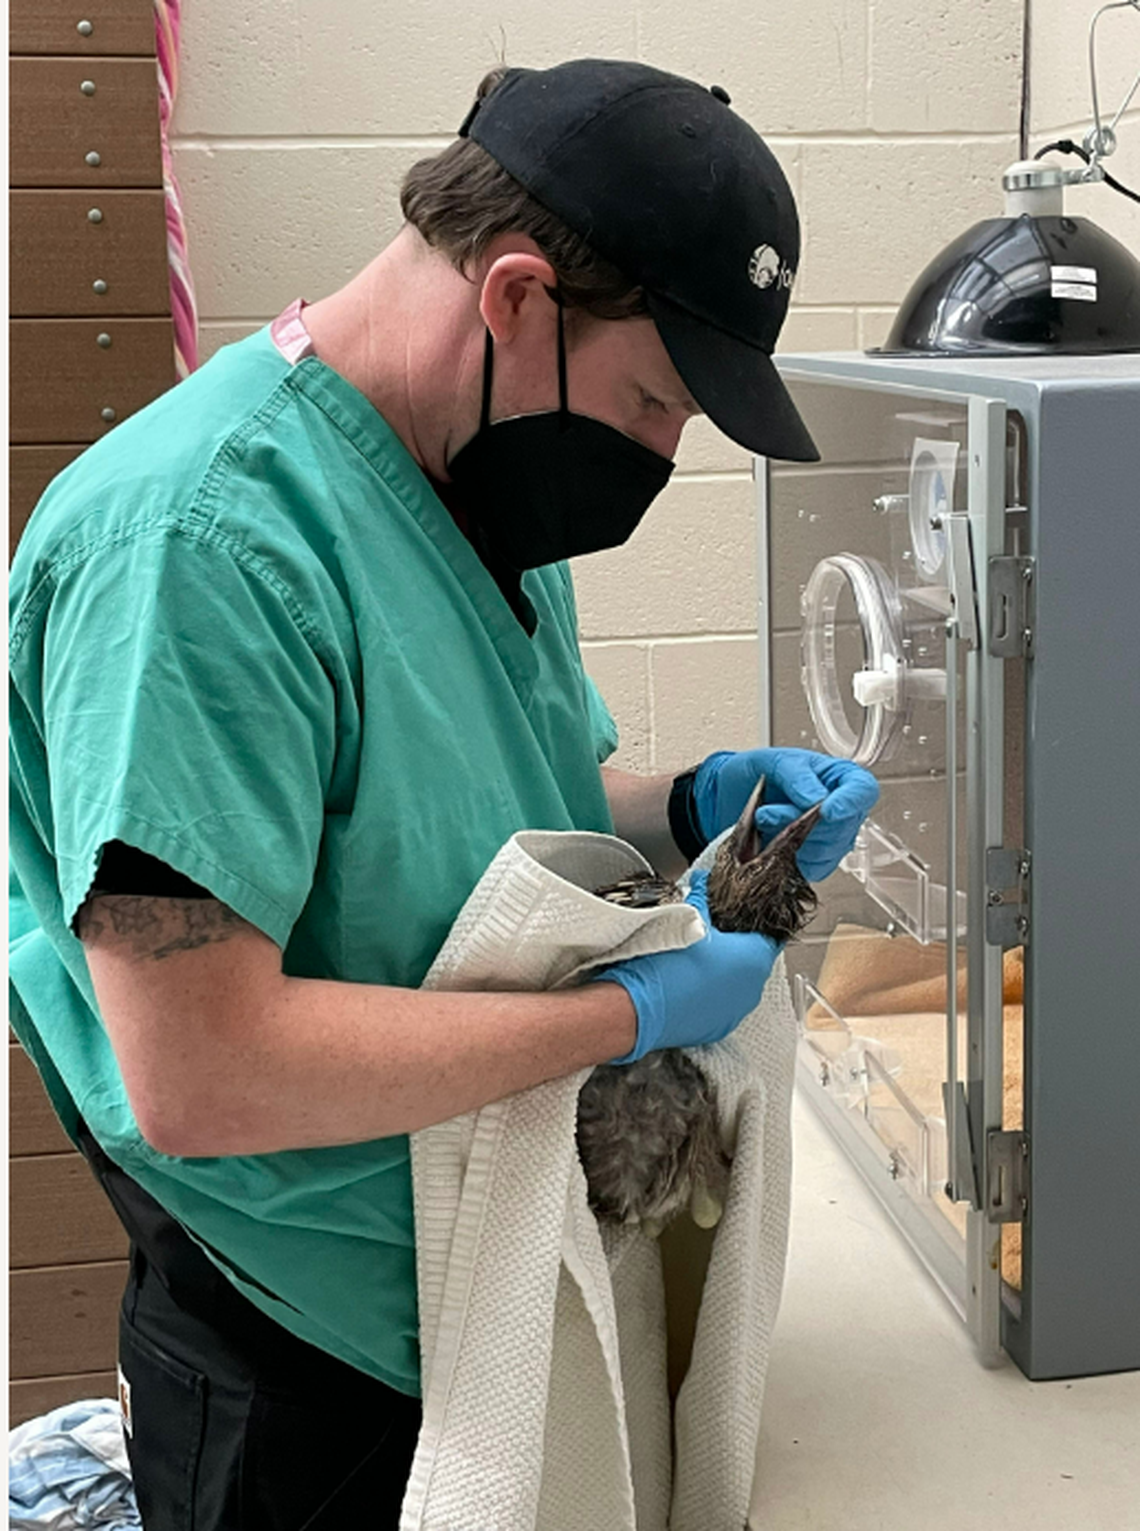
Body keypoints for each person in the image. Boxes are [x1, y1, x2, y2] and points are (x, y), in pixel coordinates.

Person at [8, 58, 878, 1529]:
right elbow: (200, 1070)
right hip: (301, 1364)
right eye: (657, 400)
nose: (661, 455)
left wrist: (691, 802)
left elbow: (482, 782)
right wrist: (631, 1015)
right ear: (518, 298)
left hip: (486, 1294)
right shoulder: (198, 551)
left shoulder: (475, 479)